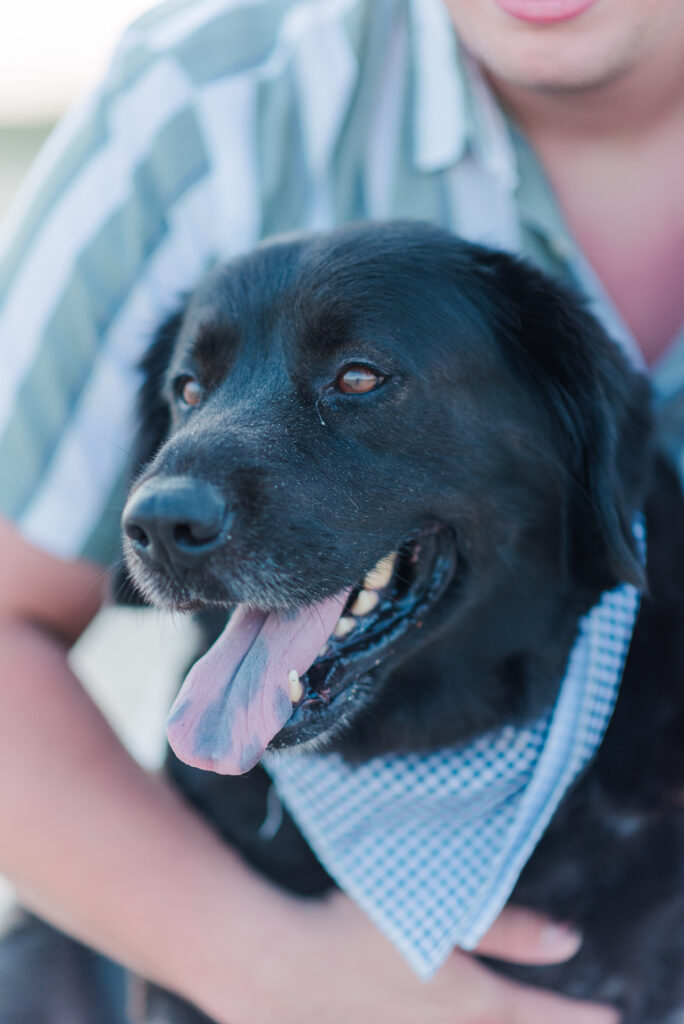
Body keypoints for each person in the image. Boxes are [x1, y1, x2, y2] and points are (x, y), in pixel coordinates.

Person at [1, 0, 682, 1020]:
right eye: (194, 393)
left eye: (358, 376)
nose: (174, 491)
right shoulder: (215, 102)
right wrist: (265, 964)